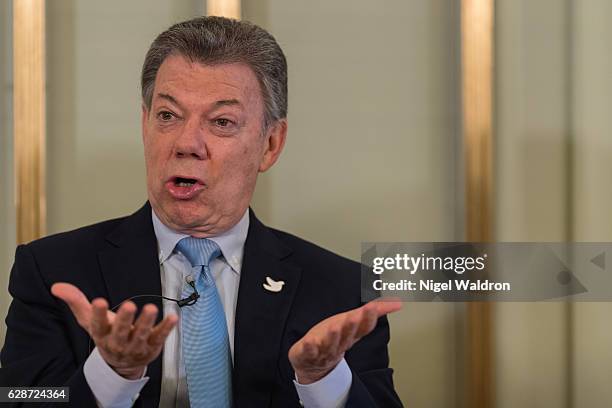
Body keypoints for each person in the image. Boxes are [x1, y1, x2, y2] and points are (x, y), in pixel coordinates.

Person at [0, 16, 402, 407]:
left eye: (221, 121)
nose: (186, 143)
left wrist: (324, 382)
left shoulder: (341, 291)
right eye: (168, 116)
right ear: (145, 124)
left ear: (271, 144)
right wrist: (111, 373)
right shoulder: (52, 270)